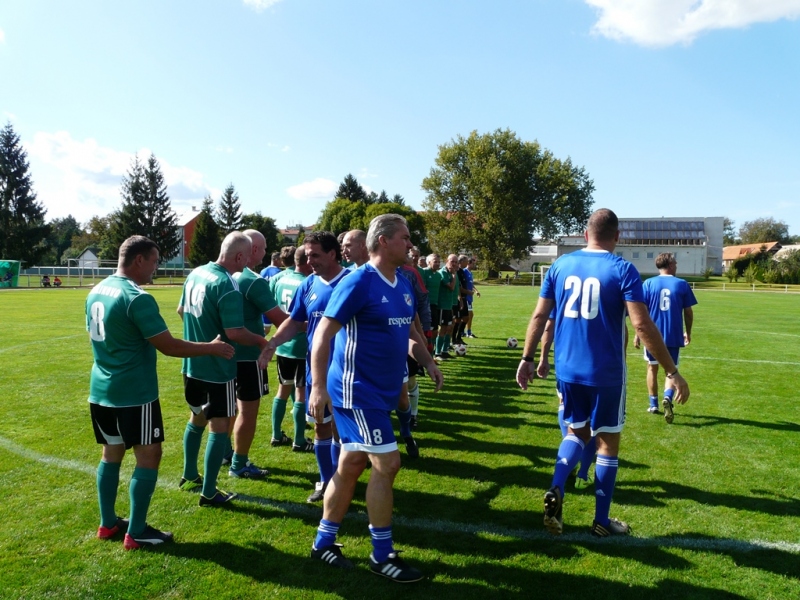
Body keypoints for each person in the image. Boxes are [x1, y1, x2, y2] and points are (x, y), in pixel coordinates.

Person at [516, 208, 690, 537]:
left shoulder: (560, 265)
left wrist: (527, 358)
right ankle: (601, 521)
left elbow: (539, 317)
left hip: (567, 369)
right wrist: (672, 370)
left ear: (585, 234)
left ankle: (557, 488)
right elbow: (640, 323)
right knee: (608, 442)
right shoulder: (622, 268)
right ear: (617, 237)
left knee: (575, 433)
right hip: (606, 371)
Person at [308, 214, 442, 581]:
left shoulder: (402, 284)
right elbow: (322, 335)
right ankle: (382, 555)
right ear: (383, 241)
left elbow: (411, 332)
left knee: (350, 465)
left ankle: (323, 542)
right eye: (404, 237)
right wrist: (318, 387)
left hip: (380, 393)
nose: (410, 243)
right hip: (357, 391)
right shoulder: (358, 282)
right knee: (388, 464)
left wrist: (428, 362)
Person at [87, 235, 235, 549]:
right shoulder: (136, 297)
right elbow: (168, 346)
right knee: (149, 455)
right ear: (138, 260)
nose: (156, 268)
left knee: (110, 453)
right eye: (154, 261)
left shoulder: (97, 290)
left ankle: (107, 523)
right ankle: (137, 531)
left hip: (100, 390)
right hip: (134, 394)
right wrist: (209, 347)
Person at [178, 231, 271, 507]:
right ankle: (209, 492)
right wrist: (261, 341)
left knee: (196, 419)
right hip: (217, 367)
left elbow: (181, 311)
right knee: (219, 428)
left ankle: (189, 474)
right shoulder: (227, 284)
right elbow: (235, 332)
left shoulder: (195, 273)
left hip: (191, 363)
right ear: (240, 256)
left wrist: (201, 336)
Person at [263, 231, 349, 502]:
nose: (309, 260)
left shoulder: (352, 282)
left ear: (333, 254)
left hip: (347, 371)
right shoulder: (308, 284)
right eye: (307, 255)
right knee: (321, 427)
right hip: (317, 369)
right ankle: (325, 481)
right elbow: (294, 320)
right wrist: (273, 342)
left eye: (315, 255)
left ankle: (340, 480)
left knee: (341, 429)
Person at [227, 230, 289, 479]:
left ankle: (223, 453)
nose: (265, 253)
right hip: (248, 356)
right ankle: (239, 463)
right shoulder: (252, 280)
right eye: (263, 248)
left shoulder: (220, 276)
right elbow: (281, 320)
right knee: (247, 411)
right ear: (253, 250)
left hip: (222, 355)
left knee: (224, 410)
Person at [634, 253, 697, 423]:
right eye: (675, 263)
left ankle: (653, 404)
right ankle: (667, 397)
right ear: (669, 265)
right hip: (673, 334)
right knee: (671, 370)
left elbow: (641, 312)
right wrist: (688, 332)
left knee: (651, 368)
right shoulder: (682, 284)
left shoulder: (648, 284)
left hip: (651, 335)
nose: (676, 266)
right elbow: (688, 312)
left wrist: (637, 334)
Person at [269, 246, 314, 451]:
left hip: (282, 344)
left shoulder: (279, 279)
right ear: (307, 261)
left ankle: (276, 434)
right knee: (301, 391)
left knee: (282, 389)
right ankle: (299, 439)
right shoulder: (307, 283)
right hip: (300, 344)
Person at [259, 251, 284, 335]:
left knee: (266, 329)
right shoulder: (279, 273)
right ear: (276, 260)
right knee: (281, 327)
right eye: (281, 259)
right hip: (273, 304)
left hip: (263, 304)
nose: (282, 262)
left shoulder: (263, 271)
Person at [463, 257, 480, 338]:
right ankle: (468, 332)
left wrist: (476, 291)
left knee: (467, 315)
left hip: (470, 297)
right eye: (473, 263)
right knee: (470, 315)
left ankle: (463, 332)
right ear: (468, 263)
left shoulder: (470, 273)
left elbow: (471, 284)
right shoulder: (464, 272)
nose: (474, 265)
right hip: (465, 297)